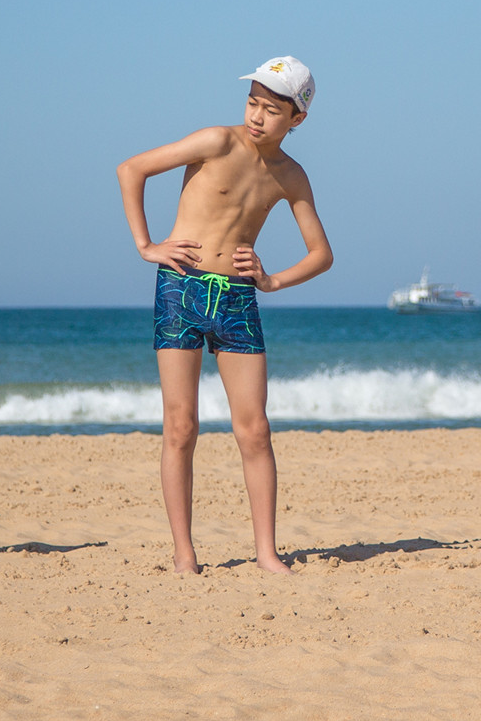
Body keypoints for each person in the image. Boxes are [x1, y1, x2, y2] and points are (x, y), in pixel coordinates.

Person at [117, 57, 333, 575]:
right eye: (253, 103)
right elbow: (132, 169)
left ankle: (265, 553)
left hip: (238, 299)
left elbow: (321, 253)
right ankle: (184, 555)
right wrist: (147, 245)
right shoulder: (217, 141)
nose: (257, 117)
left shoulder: (291, 176)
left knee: (255, 429)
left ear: (296, 119)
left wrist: (272, 279)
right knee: (180, 426)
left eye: (272, 110)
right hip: (181, 288)